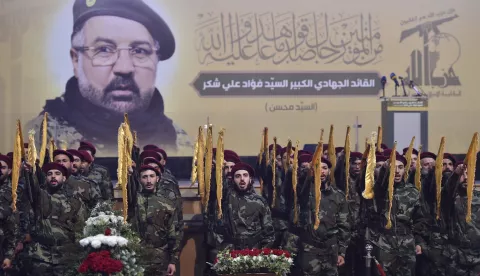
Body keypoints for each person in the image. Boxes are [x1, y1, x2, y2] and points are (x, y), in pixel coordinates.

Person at [25, 0, 192, 156]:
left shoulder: (180, 142)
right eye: (104, 49)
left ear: (156, 60)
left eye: (140, 51)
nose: (124, 68)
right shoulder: (39, 138)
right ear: (76, 61)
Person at [19, 163, 86, 275]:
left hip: (66, 257)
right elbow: (32, 187)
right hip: (41, 256)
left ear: (64, 178)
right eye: (49, 174)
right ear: (46, 178)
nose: (53, 176)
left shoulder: (76, 201)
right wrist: (29, 173)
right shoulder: (40, 196)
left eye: (57, 174)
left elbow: (80, 228)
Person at [366, 154, 427, 276]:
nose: (397, 171)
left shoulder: (413, 192)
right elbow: (378, 189)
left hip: (407, 242)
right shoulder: (380, 190)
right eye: (394, 167)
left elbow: (420, 218)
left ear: (405, 169)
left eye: (400, 167)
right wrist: (384, 170)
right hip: (384, 241)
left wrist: (419, 241)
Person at [291, 157, 351, 276]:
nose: (322, 171)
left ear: (329, 171)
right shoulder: (304, 192)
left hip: (331, 250)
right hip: (310, 249)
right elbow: (298, 181)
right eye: (318, 168)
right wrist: (307, 172)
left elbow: (344, 225)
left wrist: (342, 252)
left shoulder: (338, 196)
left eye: (325, 168)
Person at [128, 165, 181, 276]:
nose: (148, 181)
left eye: (152, 176)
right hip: (137, 257)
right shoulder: (135, 200)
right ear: (140, 180)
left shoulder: (167, 204)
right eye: (145, 177)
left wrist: (173, 261)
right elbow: (130, 188)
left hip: (161, 257)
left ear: (157, 178)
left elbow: (174, 234)